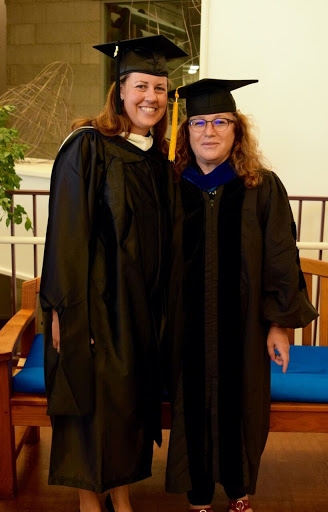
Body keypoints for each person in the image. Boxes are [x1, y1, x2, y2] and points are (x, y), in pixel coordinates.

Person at [39, 35, 187, 512]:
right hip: (95, 306)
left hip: (139, 312)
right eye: (141, 85)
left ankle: (120, 495)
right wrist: (64, 311)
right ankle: (89, 501)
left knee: (125, 406)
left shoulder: (155, 162)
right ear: (120, 90)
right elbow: (66, 236)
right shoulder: (87, 147)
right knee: (96, 403)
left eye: (161, 89)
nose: (152, 97)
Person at [165, 79, 318, 512]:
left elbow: (281, 256)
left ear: (236, 130)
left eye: (220, 121)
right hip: (185, 327)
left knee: (243, 404)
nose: (209, 131)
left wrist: (280, 324)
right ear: (187, 131)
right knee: (189, 401)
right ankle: (197, 497)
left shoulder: (261, 186)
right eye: (199, 122)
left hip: (246, 328)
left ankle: (238, 491)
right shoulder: (170, 187)